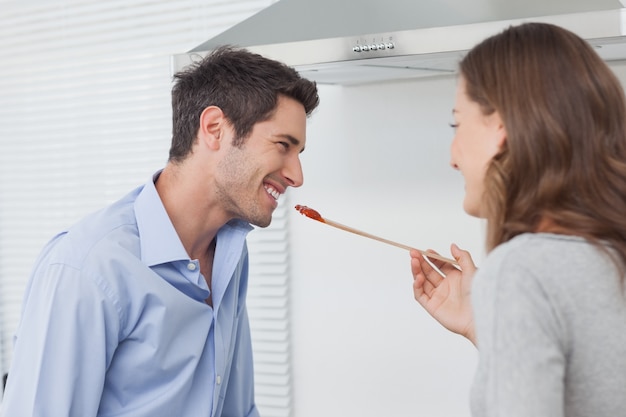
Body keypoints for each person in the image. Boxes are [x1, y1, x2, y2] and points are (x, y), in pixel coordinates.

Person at [0, 45, 319, 417]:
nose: (296, 176)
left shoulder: (230, 252)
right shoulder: (88, 268)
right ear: (214, 128)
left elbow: (237, 409)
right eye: (283, 146)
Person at [410, 22, 626, 416]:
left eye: (457, 124)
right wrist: (487, 325)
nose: (452, 156)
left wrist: (506, 297)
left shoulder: (521, 271)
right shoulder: (610, 254)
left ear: (501, 129)